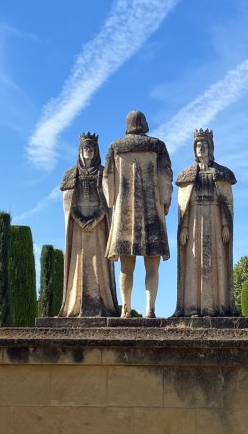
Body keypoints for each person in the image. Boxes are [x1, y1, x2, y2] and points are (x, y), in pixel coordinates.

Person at [103, 110, 173, 318]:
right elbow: (165, 177)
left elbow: (108, 179)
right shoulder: (157, 146)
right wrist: (165, 203)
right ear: (144, 124)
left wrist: (112, 203)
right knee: (152, 264)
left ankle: (125, 309)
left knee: (126, 266)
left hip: (124, 212)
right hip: (152, 213)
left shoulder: (115, 147)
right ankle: (150, 309)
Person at [174, 129, 238, 317]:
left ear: (210, 147)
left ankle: (217, 307)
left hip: (215, 220)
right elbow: (184, 205)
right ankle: (192, 307)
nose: (201, 148)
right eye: (197, 145)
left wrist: (226, 225)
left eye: (204, 145)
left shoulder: (222, 174)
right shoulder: (186, 175)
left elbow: (225, 204)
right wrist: (184, 227)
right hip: (194, 221)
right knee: (194, 263)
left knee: (216, 263)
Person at [58, 133, 119, 317]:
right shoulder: (71, 174)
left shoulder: (103, 173)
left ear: (96, 150)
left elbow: (108, 203)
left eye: (92, 148)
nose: (89, 151)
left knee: (100, 264)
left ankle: (102, 304)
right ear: (80, 150)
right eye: (86, 147)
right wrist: (79, 219)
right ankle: (74, 306)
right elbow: (69, 204)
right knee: (78, 264)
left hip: (98, 226)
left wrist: (96, 219)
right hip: (78, 227)